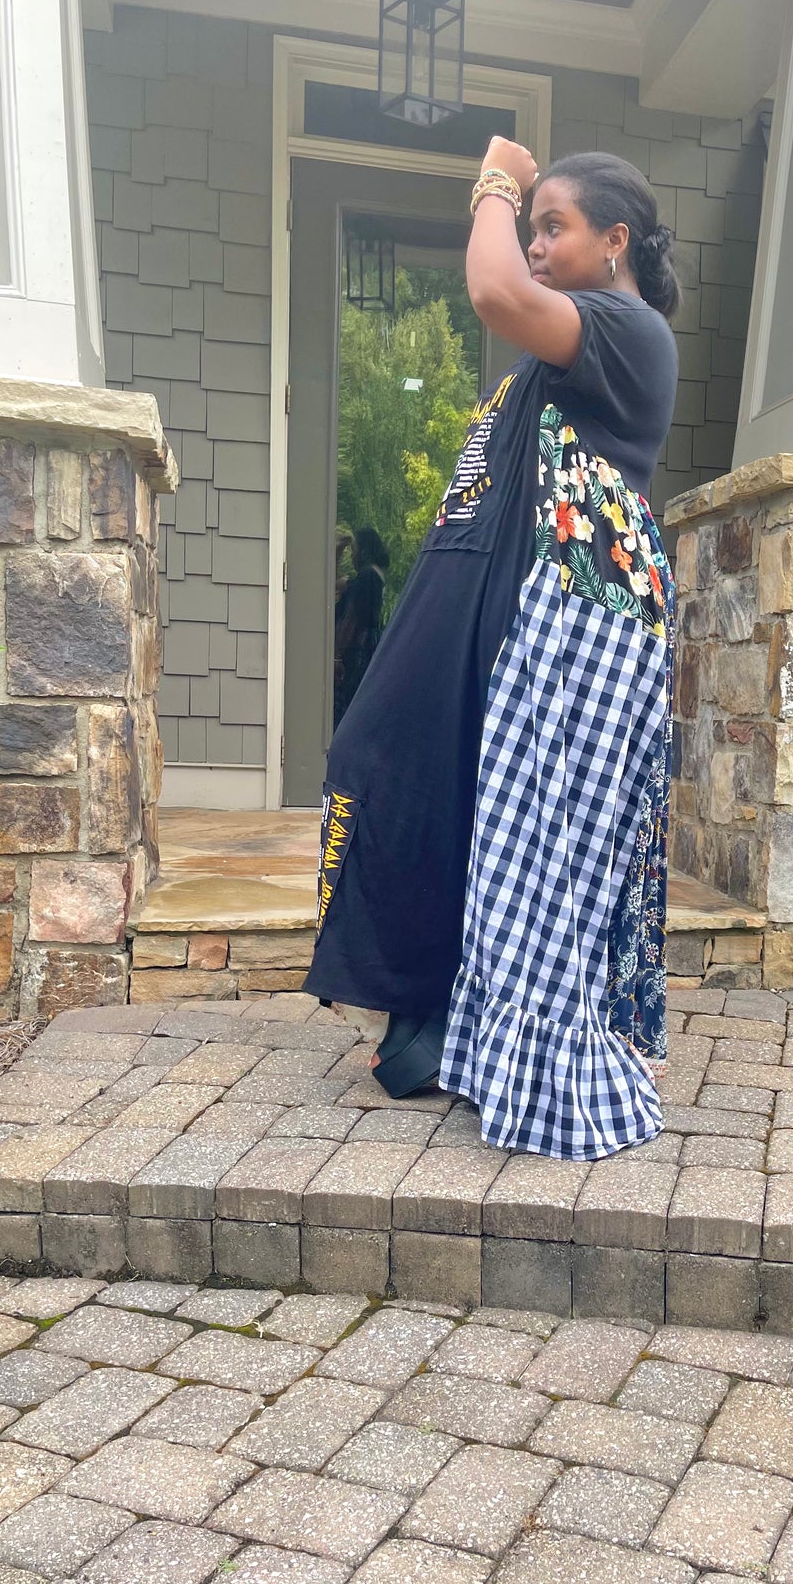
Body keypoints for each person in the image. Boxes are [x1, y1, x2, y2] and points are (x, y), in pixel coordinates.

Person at [304, 142, 680, 1161]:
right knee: (401, 778)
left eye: (554, 227)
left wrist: (497, 183)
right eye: (531, 228)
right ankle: (443, 1019)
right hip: (503, 612)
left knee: (536, 846)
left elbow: (490, 289)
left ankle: (519, 1044)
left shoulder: (627, 331)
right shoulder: (555, 358)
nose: (535, 245)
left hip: (577, 623)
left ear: (614, 241)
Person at [332, 525, 389, 725]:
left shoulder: (367, 577)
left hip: (354, 652)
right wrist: (338, 551)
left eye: (354, 550)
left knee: (343, 706)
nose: (353, 556)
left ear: (364, 551)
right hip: (363, 649)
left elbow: (351, 619)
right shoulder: (373, 577)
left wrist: (337, 656)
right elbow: (334, 583)